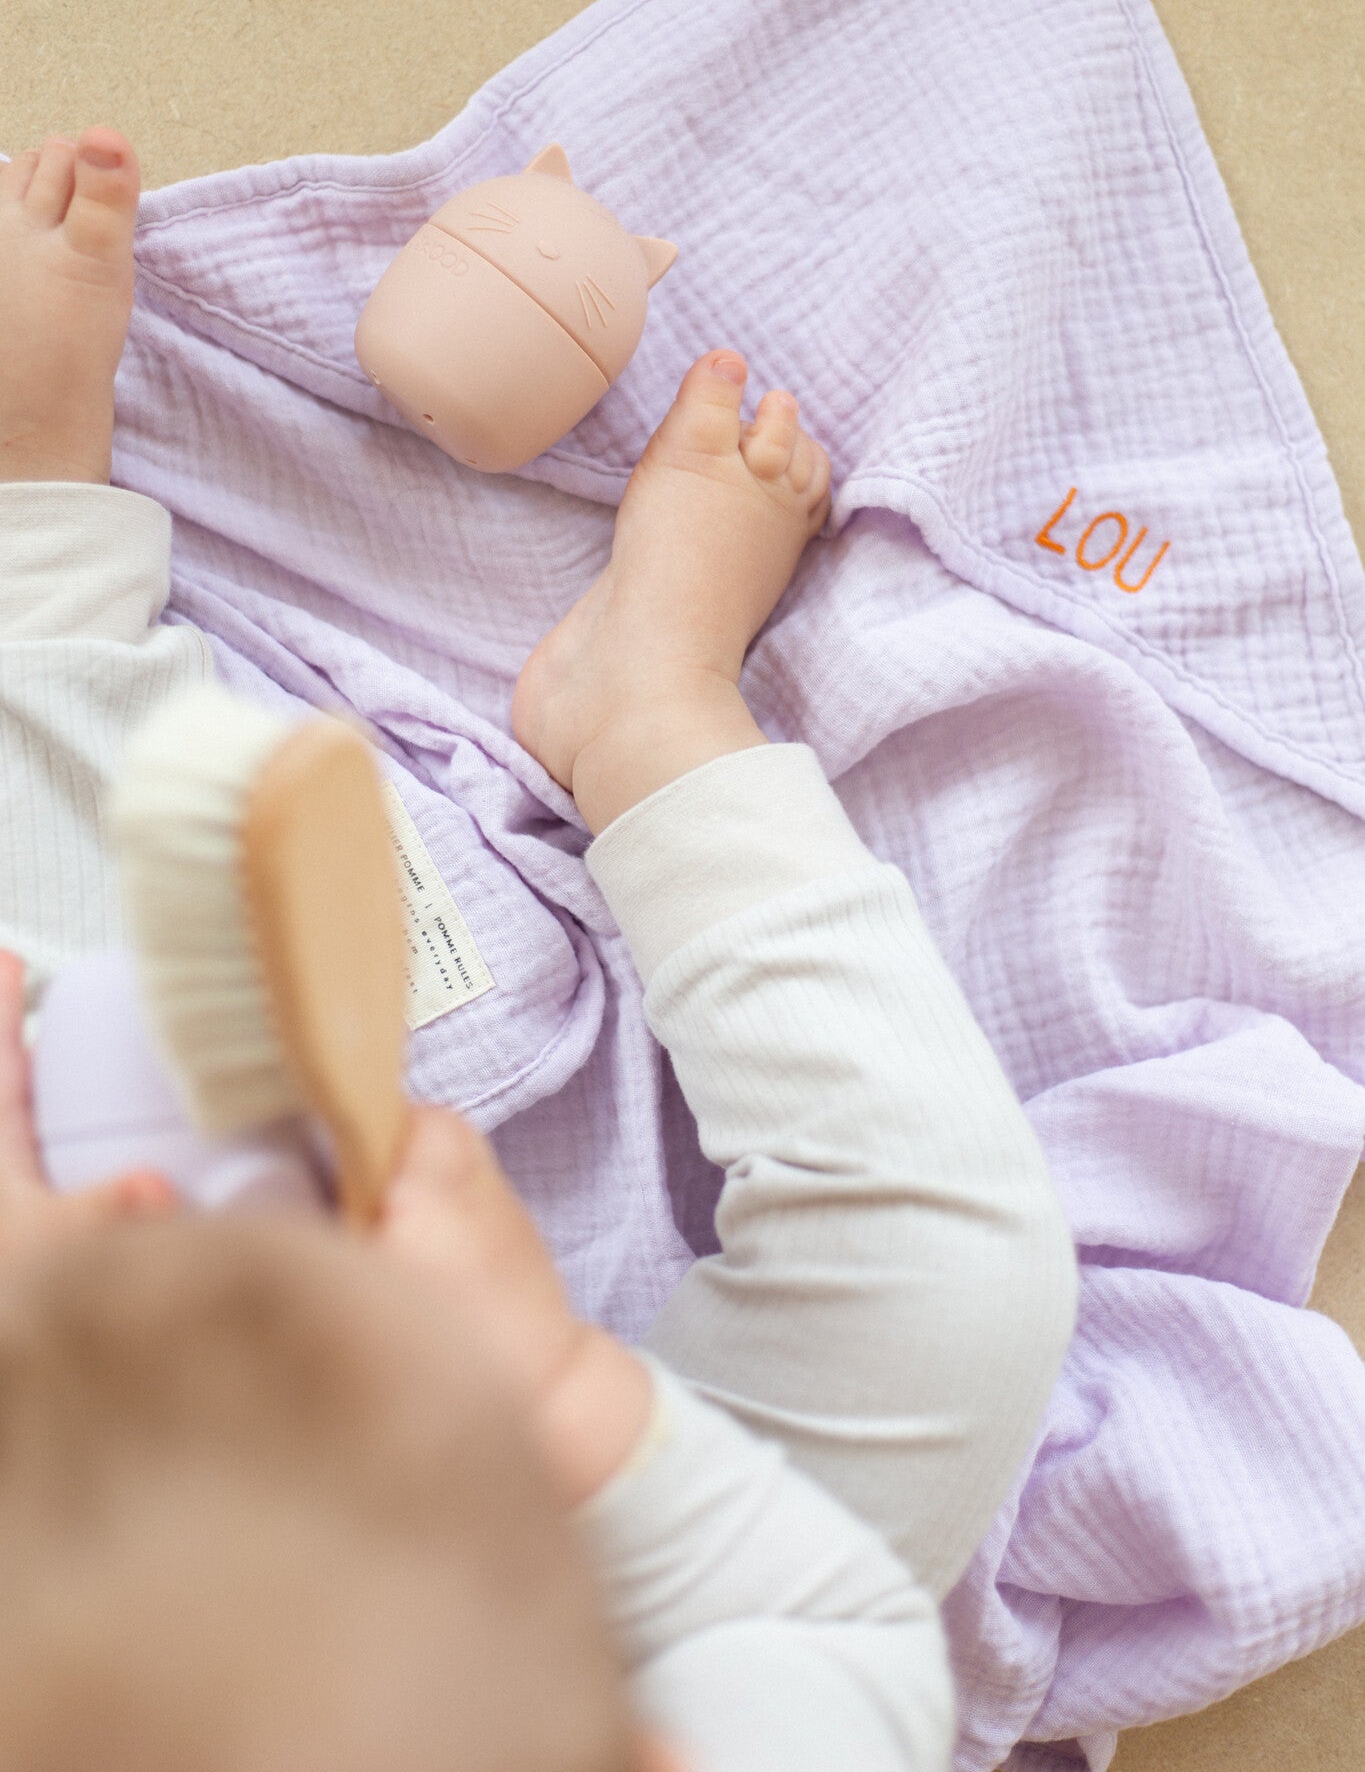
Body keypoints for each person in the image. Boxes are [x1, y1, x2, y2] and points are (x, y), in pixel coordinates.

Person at [0, 129, 1080, 1768]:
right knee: (955, 1296)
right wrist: (570, 1409)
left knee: (53, 961)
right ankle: (647, 717)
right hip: (583, 1625)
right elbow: (820, 1632)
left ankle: (34, 574)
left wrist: (55, 1354)